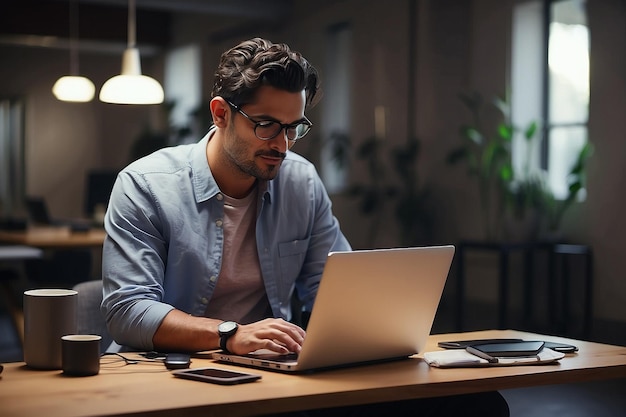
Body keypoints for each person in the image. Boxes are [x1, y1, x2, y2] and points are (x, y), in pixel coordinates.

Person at [101, 37, 508, 416]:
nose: (282, 144)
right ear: (221, 113)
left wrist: (371, 329)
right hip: (167, 376)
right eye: (266, 125)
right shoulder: (145, 185)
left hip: (268, 376)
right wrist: (230, 334)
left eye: (293, 127)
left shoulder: (301, 180)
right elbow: (127, 310)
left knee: (480, 405)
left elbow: (334, 286)